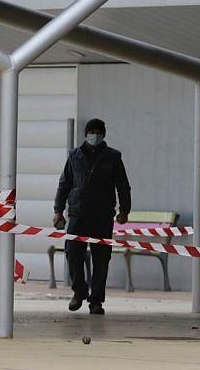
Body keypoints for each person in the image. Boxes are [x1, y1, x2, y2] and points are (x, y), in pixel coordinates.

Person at [53, 117, 131, 315]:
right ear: (85, 134)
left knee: (101, 259)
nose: (94, 135)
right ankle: (79, 291)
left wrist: (124, 210)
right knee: (72, 254)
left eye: (98, 132)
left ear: (103, 135)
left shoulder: (113, 157)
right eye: (91, 131)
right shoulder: (74, 156)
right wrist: (58, 211)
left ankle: (96, 301)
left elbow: (122, 185)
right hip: (78, 215)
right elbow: (64, 184)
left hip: (102, 216)